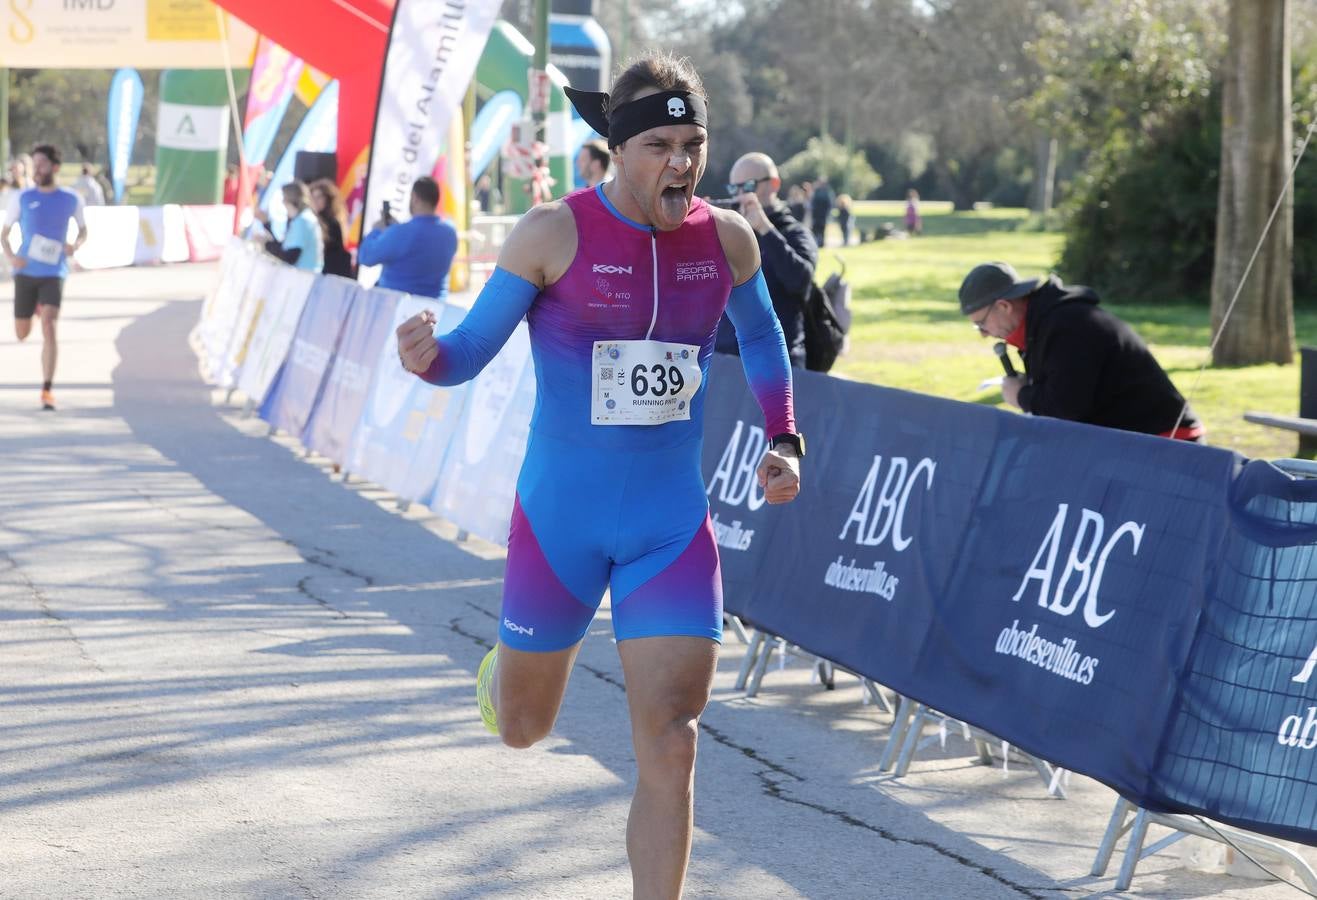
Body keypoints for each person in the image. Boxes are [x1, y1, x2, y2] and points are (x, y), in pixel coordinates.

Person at [396, 51, 803, 899]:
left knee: (673, 738)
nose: (681, 162)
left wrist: (784, 437)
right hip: (562, 521)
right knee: (522, 728)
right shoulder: (553, 231)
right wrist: (426, 359)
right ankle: (502, 672)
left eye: (692, 141)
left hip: (668, 525)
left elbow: (761, 337)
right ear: (618, 148)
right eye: (659, 143)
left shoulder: (726, 237)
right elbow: (468, 352)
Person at [959, 261, 1204, 441]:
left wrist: (1021, 395)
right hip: (1132, 440)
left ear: (1003, 306)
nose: (983, 333)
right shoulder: (1045, 324)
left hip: (1169, 443)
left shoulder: (1067, 325)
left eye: (981, 323)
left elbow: (1066, 408)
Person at [0, 144, 88, 411]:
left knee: (50, 324)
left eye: (42, 164)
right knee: (22, 333)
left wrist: (76, 245)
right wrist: (12, 256)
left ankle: (47, 390)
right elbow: (3, 234)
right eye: (35, 164)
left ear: (55, 167)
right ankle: (36, 310)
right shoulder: (23, 198)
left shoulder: (71, 198)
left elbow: (84, 230)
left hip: (54, 272)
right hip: (26, 272)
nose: (36, 169)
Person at [713, 151, 818, 369]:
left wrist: (764, 228)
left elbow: (800, 281)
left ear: (774, 185)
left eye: (749, 186)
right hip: (726, 361)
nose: (741, 195)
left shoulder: (793, 233)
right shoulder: (726, 232)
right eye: (734, 188)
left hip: (778, 361)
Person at [358, 176, 458, 300]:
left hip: (400, 309)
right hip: (435, 309)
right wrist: (395, 230)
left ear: (415, 198)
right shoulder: (450, 233)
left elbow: (366, 257)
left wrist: (376, 230)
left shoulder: (400, 233)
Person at [259, 181, 323, 273]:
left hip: (303, 278)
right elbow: (284, 248)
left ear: (288, 199)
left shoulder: (303, 221)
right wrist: (266, 225)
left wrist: (266, 244)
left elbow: (290, 257)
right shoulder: (301, 219)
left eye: (283, 198)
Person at [309, 178, 354, 278]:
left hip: (330, 275)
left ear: (328, 199)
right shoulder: (312, 220)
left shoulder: (332, 223)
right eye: (312, 197)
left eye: (319, 197)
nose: (315, 201)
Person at [809, 175, 834, 247]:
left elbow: (829, 204)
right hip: (816, 214)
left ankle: (821, 243)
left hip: (823, 214)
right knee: (815, 229)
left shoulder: (828, 191)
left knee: (822, 230)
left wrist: (828, 213)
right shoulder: (816, 191)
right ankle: (815, 243)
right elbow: (812, 202)